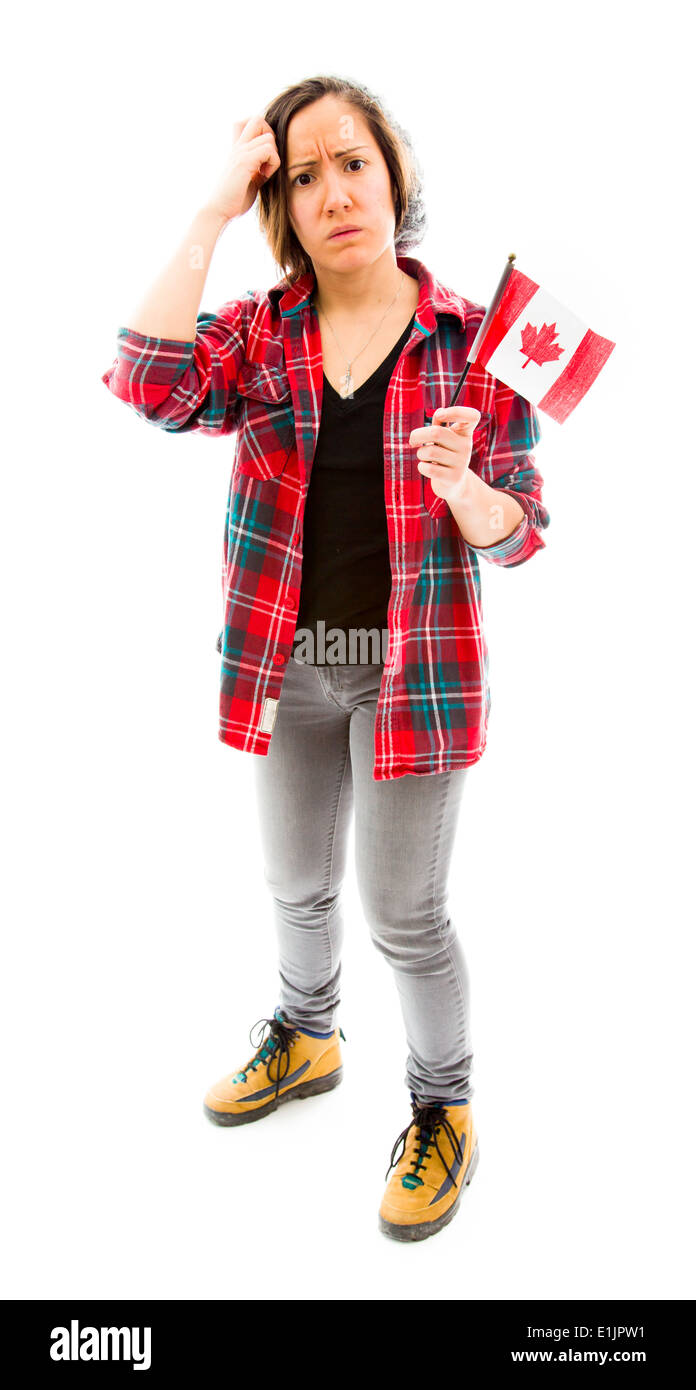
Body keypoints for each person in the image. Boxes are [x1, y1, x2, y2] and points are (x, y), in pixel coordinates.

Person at [101, 74, 550, 1243]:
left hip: (413, 674)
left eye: (353, 162)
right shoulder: (262, 332)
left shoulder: (480, 343)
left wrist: (467, 489)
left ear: (393, 177)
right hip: (287, 667)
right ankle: (308, 1035)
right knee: (298, 885)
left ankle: (444, 1111)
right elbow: (145, 382)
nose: (334, 192)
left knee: (406, 912)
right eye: (302, 177)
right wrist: (209, 210)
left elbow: (526, 537)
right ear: (281, 206)